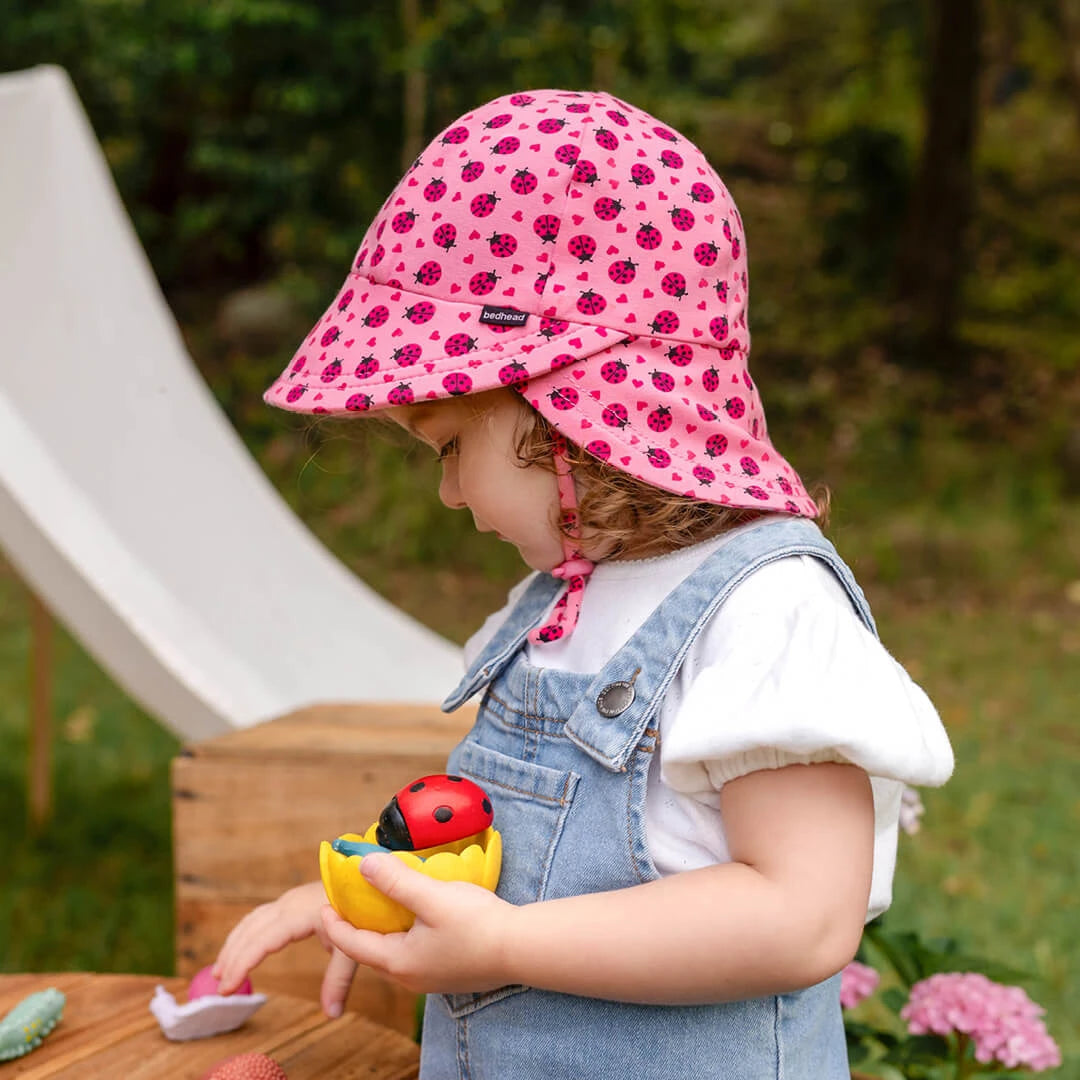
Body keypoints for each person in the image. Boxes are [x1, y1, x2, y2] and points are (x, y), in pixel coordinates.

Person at [213, 88, 954, 1078]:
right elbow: (498, 845)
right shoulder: (565, 601)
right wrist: (371, 891)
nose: (444, 493)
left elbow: (800, 916)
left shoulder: (764, 612)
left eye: (447, 447)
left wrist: (504, 947)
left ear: (568, 407)